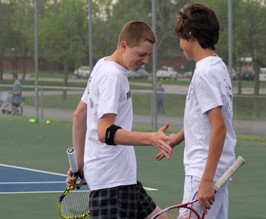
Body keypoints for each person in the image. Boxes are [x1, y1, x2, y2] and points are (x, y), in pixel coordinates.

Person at [65, 21, 172, 219]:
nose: (146, 60)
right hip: (112, 186)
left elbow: (79, 114)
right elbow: (104, 132)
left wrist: (80, 164)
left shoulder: (102, 65)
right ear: (124, 45)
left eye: (149, 55)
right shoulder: (113, 76)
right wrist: (150, 138)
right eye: (141, 54)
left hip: (123, 180)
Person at [156, 3, 236, 219]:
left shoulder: (204, 73)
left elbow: (218, 128)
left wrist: (206, 180)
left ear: (190, 36)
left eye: (181, 39)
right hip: (218, 170)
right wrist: (178, 137)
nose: (181, 45)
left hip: (203, 172)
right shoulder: (218, 67)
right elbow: (205, 119)